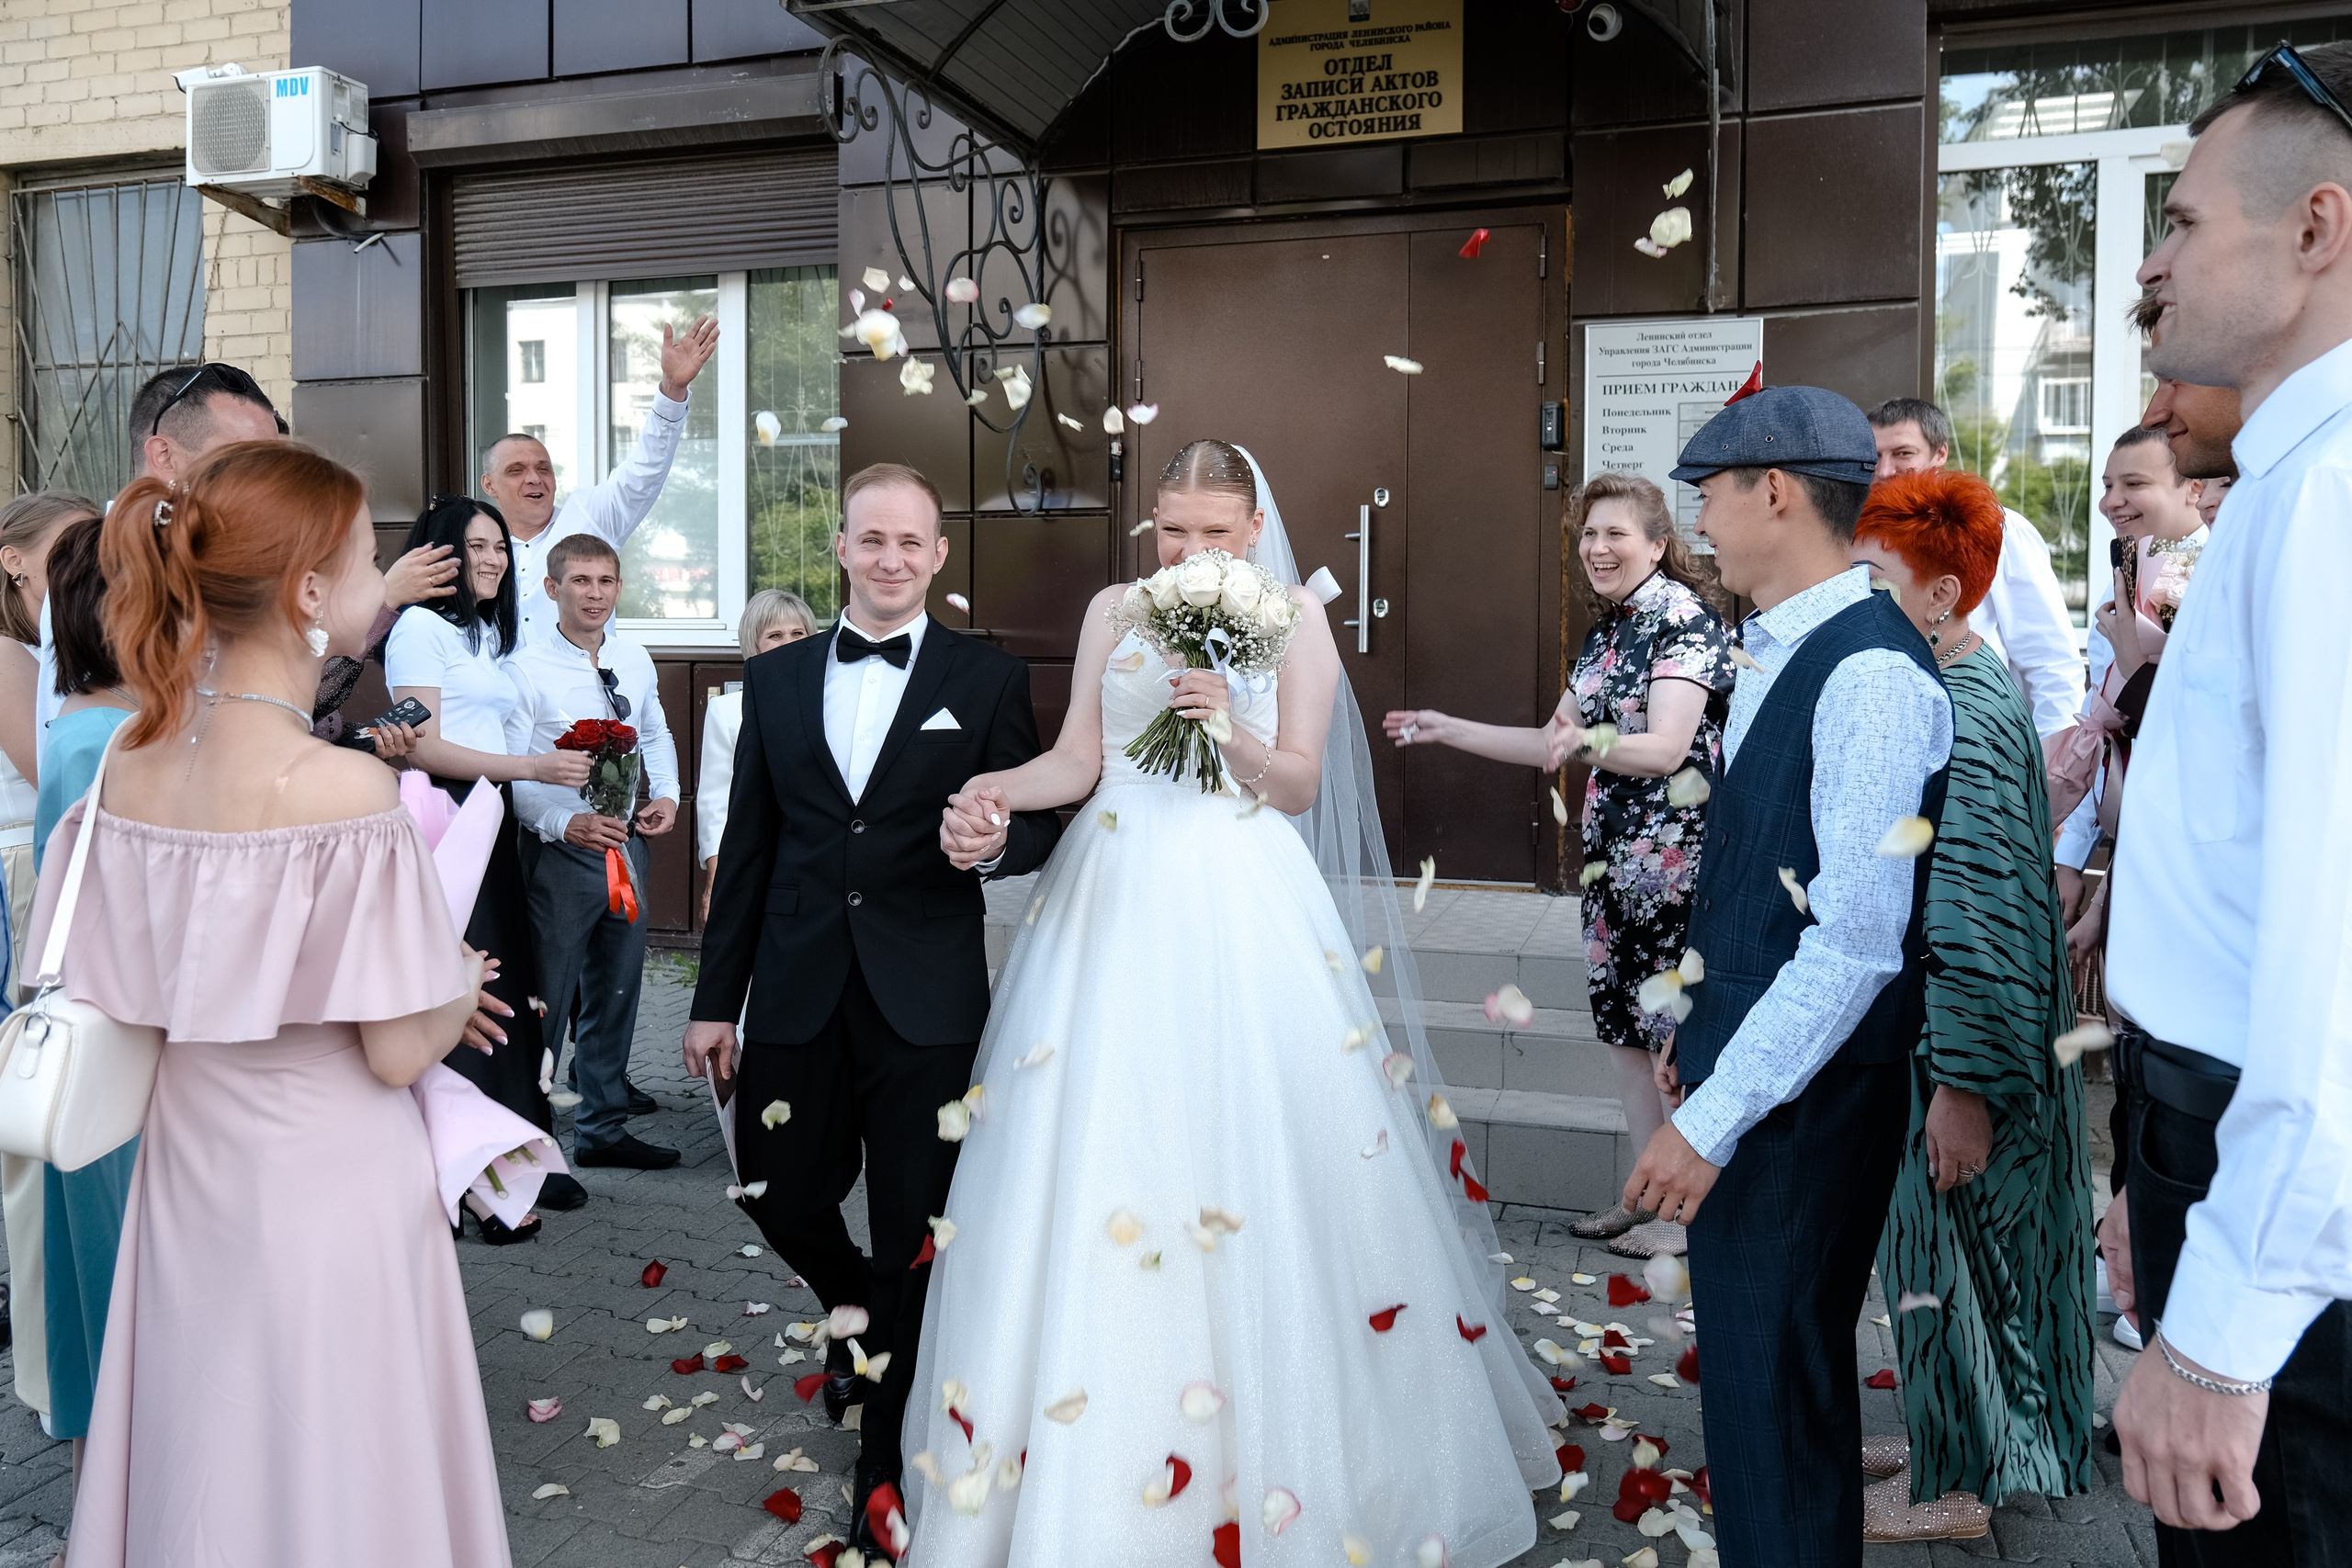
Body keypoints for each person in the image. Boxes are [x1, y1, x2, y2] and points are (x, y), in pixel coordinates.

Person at [889, 439, 1563, 1567]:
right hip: (1111, 887)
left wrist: (1228, 731)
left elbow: (1299, 777)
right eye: (1171, 531)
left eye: (1211, 532)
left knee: (1255, 1143)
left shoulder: (1295, 616)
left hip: (1239, 892)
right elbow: (1075, 760)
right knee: (1097, 1141)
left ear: (1253, 529)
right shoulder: (1116, 607)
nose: (1189, 552)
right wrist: (993, 787)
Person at [40, 439, 507, 1565]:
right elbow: (398, 1051)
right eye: (363, 556)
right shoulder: (344, 789)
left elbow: (125, 988)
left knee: (207, 1450)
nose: (380, 572)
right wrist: (457, 982)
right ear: (307, 591)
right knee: (339, 1458)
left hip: (189, 1166)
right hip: (330, 1178)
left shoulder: (129, 770)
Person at [685, 463, 1062, 1555]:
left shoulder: (985, 678)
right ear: (841, 548)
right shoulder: (778, 678)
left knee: (912, 1231)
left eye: (912, 542)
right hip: (797, 987)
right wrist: (717, 1002)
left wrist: (1000, 844)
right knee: (771, 1189)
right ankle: (864, 1330)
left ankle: (887, 1461)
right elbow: (749, 849)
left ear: (938, 555)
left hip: (925, 1001)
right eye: (872, 539)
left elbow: (1039, 818)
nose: (892, 557)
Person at [1620, 386, 1952, 1568]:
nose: (1696, 516)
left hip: (1801, 1104)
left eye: (1706, 493)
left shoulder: (1866, 675)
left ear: (1774, 490)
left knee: (1776, 1393)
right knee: (1761, 1391)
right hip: (1758, 1061)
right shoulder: (1783, 645)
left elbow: (1856, 943)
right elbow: (1771, 872)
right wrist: (1691, 1017)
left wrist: (1709, 1120)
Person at [2105, 38, 2352, 1558]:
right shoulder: (2287, 480)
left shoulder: (2331, 496)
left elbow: (2338, 951)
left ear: (2318, 230)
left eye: (2185, 217)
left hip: (2281, 1207)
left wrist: (2227, 1319)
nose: (2156, 255)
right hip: (2206, 1128)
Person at [1381, 471, 1735, 1259]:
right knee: (1623, 1038)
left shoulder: (1686, 622)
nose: (1598, 548)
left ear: (1658, 544)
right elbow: (1551, 743)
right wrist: (1449, 728)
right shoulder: (1606, 635)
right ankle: (1645, 1201)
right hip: (1612, 869)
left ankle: (1684, 1218)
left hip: (1676, 868)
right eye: (1588, 534)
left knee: (1672, 1041)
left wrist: (1590, 742)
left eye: (1616, 533)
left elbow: (1670, 747)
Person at [1847, 469, 2097, 1540]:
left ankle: (1954, 1492)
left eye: (1876, 577)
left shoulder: (1971, 705)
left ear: (1940, 594)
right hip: (1958, 1032)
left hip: (1968, 1045)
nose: (1861, 596)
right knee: (1934, 1247)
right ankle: (1953, 1437)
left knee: (1953, 1247)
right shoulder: (1956, 681)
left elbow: (1983, 911)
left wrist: (1966, 1086)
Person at [386, 495, 592, 1225]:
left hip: (492, 819)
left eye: (499, 546)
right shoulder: (418, 629)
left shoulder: (487, 637)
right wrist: (531, 765)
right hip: (444, 817)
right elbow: (424, 744)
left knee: (507, 984)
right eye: (475, 545)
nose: (491, 558)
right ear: (439, 553)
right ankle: (474, 1176)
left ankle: (518, 1144)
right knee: (461, 987)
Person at [27, 516, 137, 1559]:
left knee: (90, 1284)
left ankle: (99, 1502)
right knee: (125, 1287)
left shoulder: (74, 727)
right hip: (123, 1053)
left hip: (80, 1044)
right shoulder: (117, 744)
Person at [506, 532, 681, 1174]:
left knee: (616, 986)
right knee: (547, 997)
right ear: (552, 588)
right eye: (580, 581)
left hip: (627, 846)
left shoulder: (633, 657)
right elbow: (518, 774)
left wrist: (668, 794)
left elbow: (654, 731)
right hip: (561, 851)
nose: (595, 593)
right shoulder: (523, 666)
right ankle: (526, 1144)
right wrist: (564, 823)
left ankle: (602, 1126)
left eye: (606, 581)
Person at [0, 492, 94, 1430]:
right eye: (66, 551)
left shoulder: (40, 657)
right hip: (26, 863)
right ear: (14, 562)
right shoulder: (12, 658)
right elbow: (47, 769)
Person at [477, 316, 718, 643]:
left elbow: (645, 471)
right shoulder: (473, 547)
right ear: (488, 485)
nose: (534, 479)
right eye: (516, 470)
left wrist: (673, 390)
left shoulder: (589, 517)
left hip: (582, 690)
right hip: (500, 694)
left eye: (543, 468)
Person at [1868, 398, 2084, 739]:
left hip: (1979, 743)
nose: (1884, 470)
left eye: (1903, 454)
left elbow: (2050, 664)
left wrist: (2050, 771)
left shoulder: (1999, 529)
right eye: (1875, 457)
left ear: (1940, 454)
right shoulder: (1861, 536)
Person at [697, 589, 818, 924]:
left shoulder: (831, 704)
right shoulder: (727, 710)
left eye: (798, 633)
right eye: (775, 636)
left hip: (819, 863)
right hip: (756, 861)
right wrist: (716, 880)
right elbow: (716, 800)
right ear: (754, 645)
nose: (788, 643)